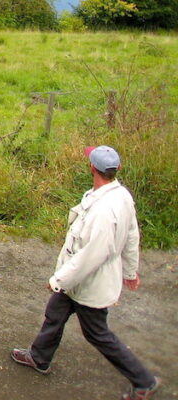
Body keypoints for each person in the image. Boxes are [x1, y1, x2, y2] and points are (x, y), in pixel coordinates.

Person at [11, 145, 160, 400]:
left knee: (98, 334)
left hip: (90, 282)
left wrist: (59, 280)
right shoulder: (120, 195)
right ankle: (39, 358)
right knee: (55, 314)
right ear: (117, 169)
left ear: (92, 168)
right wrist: (131, 271)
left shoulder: (104, 211)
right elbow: (132, 236)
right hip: (77, 280)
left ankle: (143, 380)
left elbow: (91, 256)